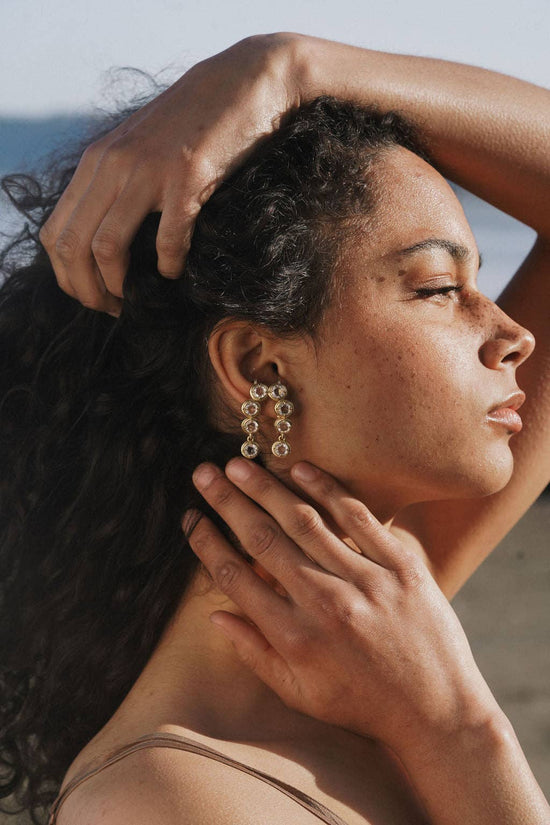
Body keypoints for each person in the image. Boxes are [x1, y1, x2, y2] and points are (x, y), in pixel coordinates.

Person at [1, 33, 548, 825]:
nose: (510, 334)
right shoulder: (168, 805)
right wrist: (457, 730)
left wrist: (298, 67)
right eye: (438, 286)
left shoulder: (373, 635)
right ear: (259, 367)